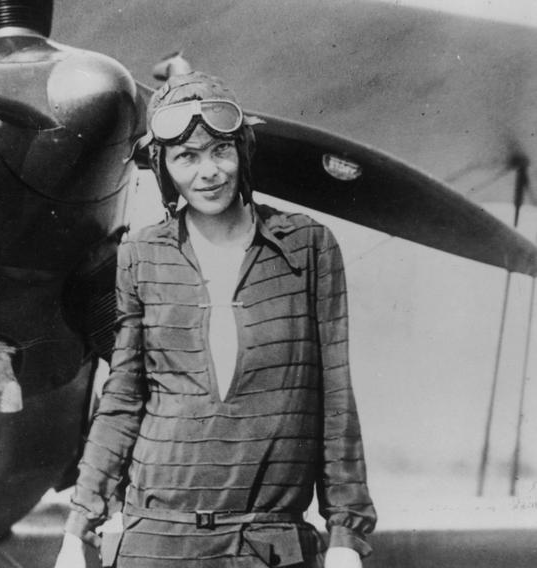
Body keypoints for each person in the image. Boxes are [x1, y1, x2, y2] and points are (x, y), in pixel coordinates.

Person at [54, 72, 376, 567]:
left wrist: (345, 534)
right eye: (186, 156)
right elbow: (122, 398)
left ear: (243, 152)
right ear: (164, 168)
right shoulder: (141, 254)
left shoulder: (309, 247)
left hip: (265, 542)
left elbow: (335, 397)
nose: (208, 172)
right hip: (155, 538)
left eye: (220, 150)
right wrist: (78, 527)